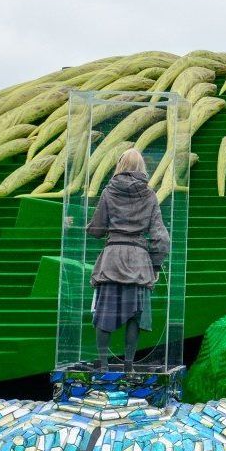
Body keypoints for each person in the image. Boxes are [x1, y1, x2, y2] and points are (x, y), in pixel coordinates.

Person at [87, 148, 169, 372]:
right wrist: (155, 263)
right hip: (138, 261)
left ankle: (103, 366)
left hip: (112, 258)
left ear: (120, 165)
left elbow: (97, 228)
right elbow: (161, 237)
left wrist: (85, 227)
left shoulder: (108, 192)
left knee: (104, 315)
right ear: (142, 167)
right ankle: (129, 367)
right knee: (134, 317)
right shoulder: (150, 195)